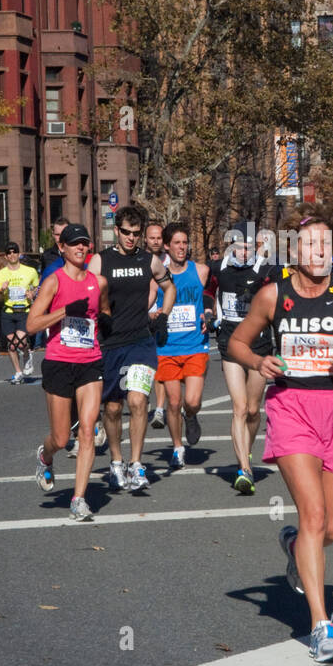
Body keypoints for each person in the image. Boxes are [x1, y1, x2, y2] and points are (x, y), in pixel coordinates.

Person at [228, 203, 333, 663]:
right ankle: (321, 626)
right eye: (308, 243)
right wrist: (259, 361)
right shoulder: (271, 295)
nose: (317, 251)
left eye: (324, 243)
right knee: (315, 516)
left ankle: (293, 545)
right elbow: (237, 342)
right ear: (293, 250)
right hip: (292, 407)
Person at [89, 206, 175, 493]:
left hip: (140, 342)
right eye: (126, 232)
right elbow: (86, 293)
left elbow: (169, 287)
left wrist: (163, 315)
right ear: (117, 231)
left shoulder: (148, 260)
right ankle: (116, 462)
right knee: (112, 409)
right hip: (110, 344)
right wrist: (96, 316)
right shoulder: (101, 261)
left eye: (136, 234)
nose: (131, 238)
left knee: (138, 401)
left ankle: (137, 464)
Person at [26, 224, 110, 520]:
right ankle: (45, 455)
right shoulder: (54, 281)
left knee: (87, 431)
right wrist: (65, 311)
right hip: (59, 361)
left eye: (85, 243)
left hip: (90, 361)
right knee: (62, 439)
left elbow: (106, 312)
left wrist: (110, 322)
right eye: (74, 244)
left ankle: (78, 499)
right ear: (62, 247)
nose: (81, 248)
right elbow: (32, 325)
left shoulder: (98, 282)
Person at [216, 223, 282, 493]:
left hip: (259, 345)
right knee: (239, 407)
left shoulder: (267, 270)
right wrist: (210, 315)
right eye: (238, 245)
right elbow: (205, 290)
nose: (243, 251)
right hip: (230, 344)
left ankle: (247, 450)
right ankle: (244, 468)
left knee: (254, 411)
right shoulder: (218, 268)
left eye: (248, 246)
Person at [152, 223, 213, 469]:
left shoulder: (200, 270)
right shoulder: (158, 274)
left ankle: (192, 415)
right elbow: (147, 303)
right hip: (166, 347)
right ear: (167, 245)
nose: (182, 247)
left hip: (195, 345)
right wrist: (152, 316)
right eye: (177, 243)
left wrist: (208, 314)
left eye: (185, 242)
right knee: (173, 402)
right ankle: (178, 447)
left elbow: (209, 296)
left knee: (193, 401)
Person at [0, 242, 38, 385]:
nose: (12, 255)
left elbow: (37, 287)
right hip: (8, 312)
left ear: (18, 254)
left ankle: (26, 353)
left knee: (21, 342)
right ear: (6, 256)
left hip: (24, 311)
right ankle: (18, 372)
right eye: (9, 253)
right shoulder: (0, 274)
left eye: (14, 252)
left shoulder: (30, 271)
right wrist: (1, 291)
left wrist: (33, 294)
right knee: (11, 345)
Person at [143, 221, 170, 429]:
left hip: (164, 320)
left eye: (159, 237)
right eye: (152, 237)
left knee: (161, 365)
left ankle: (159, 409)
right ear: (145, 239)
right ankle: (142, 401)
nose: (155, 241)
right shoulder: (138, 261)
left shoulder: (171, 261)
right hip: (142, 319)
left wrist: (165, 312)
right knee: (144, 365)